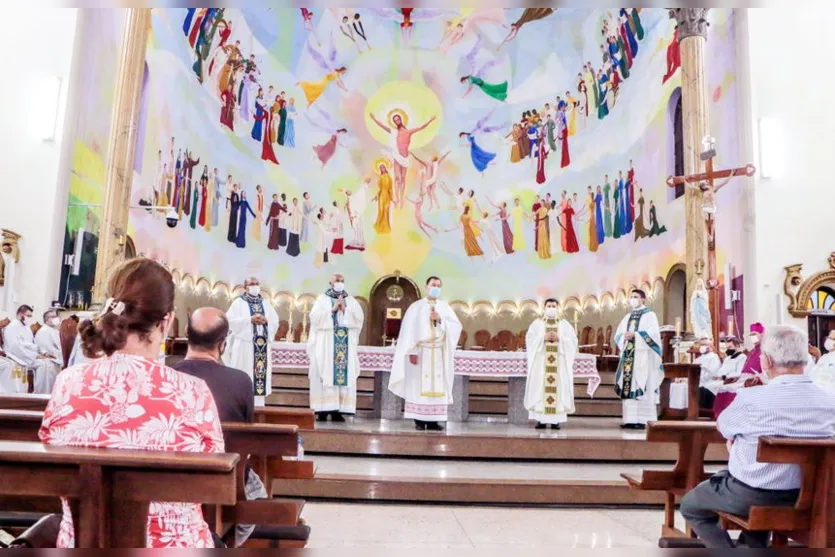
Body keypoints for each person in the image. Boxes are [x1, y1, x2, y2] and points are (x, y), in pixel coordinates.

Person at [38, 258, 225, 548]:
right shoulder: (192, 392)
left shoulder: (67, 383)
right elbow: (213, 479)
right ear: (166, 321)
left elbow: (52, 463)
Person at [681, 325, 835, 548]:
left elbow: (724, 427)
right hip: (812, 495)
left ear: (768, 361)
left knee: (691, 505)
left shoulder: (752, 399)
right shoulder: (830, 400)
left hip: (751, 494)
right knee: (754, 497)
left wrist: (735, 443)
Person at [172, 307, 267, 547]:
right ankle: (226, 545)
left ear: (187, 333)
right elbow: (247, 434)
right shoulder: (240, 381)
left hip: (174, 478)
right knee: (257, 496)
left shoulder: (167, 376)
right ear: (223, 344)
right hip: (225, 478)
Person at [389, 276, 462, 431]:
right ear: (426, 286)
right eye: (433, 284)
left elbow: (456, 326)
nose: (436, 287)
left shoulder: (444, 307)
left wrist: (441, 320)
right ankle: (419, 420)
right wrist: (412, 351)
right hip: (421, 352)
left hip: (439, 352)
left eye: (438, 285)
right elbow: (409, 331)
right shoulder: (416, 307)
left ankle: (434, 420)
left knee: (438, 385)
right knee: (418, 385)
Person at [306, 273, 364, 422]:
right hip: (326, 341)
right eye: (337, 281)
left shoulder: (350, 300)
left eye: (342, 281)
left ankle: (338, 410)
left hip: (345, 342)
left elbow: (359, 319)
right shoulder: (322, 299)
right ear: (330, 283)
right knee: (324, 371)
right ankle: (322, 409)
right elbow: (314, 318)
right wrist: (332, 310)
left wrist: (345, 310)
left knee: (342, 372)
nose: (340, 283)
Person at [223, 277, 279, 406]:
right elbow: (229, 321)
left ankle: (258, 407)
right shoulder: (238, 303)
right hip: (244, 346)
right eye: (252, 284)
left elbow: (275, 321)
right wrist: (249, 319)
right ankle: (240, 406)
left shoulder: (265, 303)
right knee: (243, 375)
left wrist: (266, 321)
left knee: (259, 380)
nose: (255, 286)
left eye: (257, 284)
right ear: (245, 287)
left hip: (262, 346)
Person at [524, 299, 577, 430]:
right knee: (540, 389)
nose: (551, 308)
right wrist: (543, 338)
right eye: (549, 306)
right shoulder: (537, 324)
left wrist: (560, 339)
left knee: (558, 389)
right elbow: (529, 339)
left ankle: (555, 421)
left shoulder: (564, 324)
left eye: (554, 306)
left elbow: (573, 341)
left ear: (558, 308)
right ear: (544, 308)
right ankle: (540, 420)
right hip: (541, 364)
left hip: (559, 363)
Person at [614, 289, 663, 429]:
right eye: (631, 297)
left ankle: (643, 420)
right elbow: (618, 334)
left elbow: (654, 335)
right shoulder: (628, 316)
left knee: (643, 384)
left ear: (643, 299)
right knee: (629, 386)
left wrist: (636, 335)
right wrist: (623, 336)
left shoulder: (650, 315)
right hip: (629, 357)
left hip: (643, 357)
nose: (633, 299)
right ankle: (629, 420)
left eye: (635, 297)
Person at [713, 323, 766, 418]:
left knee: (732, 390)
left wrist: (758, 377)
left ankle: (733, 417)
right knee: (723, 388)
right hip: (742, 378)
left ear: (762, 335)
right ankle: (722, 417)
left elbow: (766, 370)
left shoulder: (764, 350)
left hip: (752, 380)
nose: (752, 337)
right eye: (751, 334)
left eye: (755, 334)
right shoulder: (752, 351)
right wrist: (734, 378)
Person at [4, 305, 60, 394]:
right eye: (28, 316)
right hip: (18, 357)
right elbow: (15, 347)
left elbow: (34, 344)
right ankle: (40, 393)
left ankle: (48, 392)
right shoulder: (11, 327)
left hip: (29, 355)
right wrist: (35, 356)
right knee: (44, 365)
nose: (29, 318)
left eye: (30, 316)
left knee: (49, 362)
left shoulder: (26, 327)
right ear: (20, 314)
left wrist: (44, 353)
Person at [691, 338, 722, 409]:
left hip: (708, 382)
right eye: (701, 344)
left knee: (704, 389)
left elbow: (713, 373)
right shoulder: (698, 359)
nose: (702, 346)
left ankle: (701, 410)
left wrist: (699, 379)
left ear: (711, 346)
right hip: (696, 381)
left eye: (704, 344)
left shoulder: (714, 357)